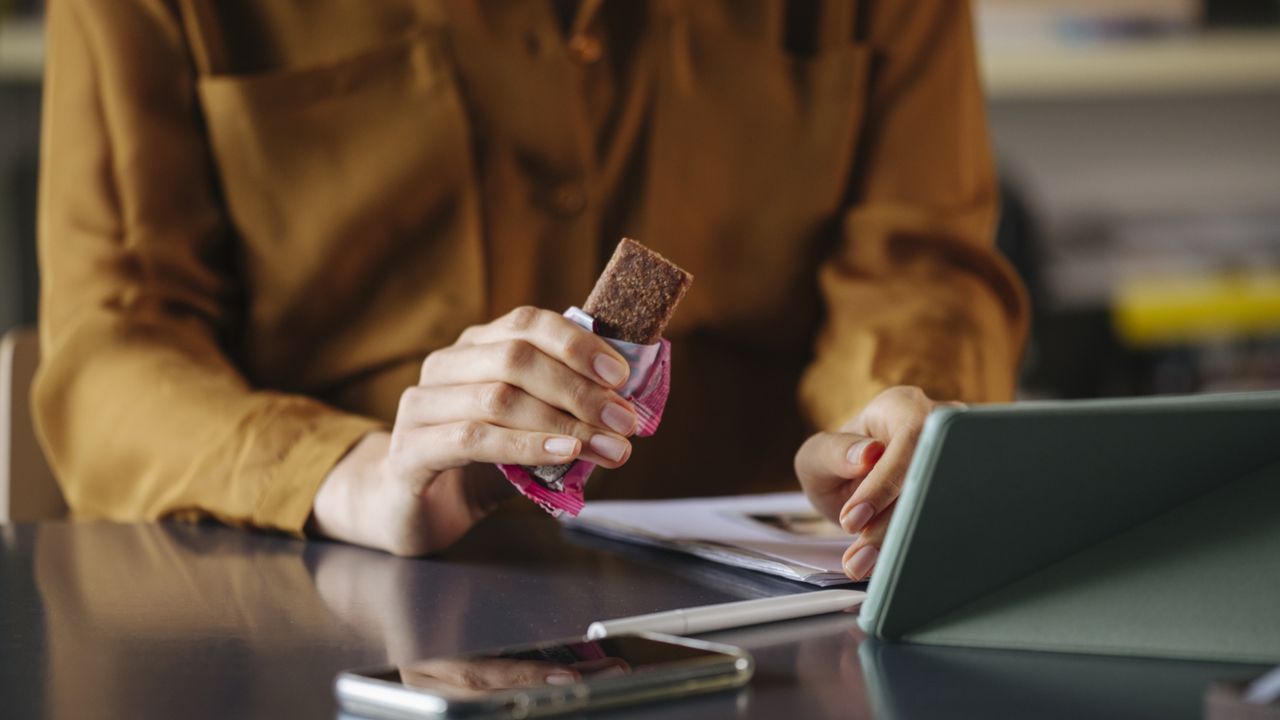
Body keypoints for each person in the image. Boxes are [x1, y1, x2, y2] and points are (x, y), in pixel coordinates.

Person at [33, 0, 1027, 579]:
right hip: (330, 603)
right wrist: (351, 476)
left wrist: (889, 428)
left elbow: (916, 262)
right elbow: (115, 346)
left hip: (776, 616)